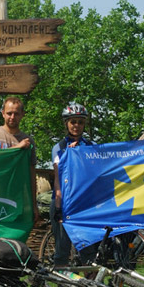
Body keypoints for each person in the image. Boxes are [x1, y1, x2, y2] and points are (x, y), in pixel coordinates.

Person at [50, 102, 96, 267]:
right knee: (62, 250)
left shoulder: (92, 147)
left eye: (80, 122)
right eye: (73, 122)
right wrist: (57, 204)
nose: (76, 125)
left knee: (88, 249)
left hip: (83, 203)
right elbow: (58, 177)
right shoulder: (59, 147)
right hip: (63, 201)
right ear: (66, 124)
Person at [0, 96, 38, 219]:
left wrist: (34, 205)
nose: (12, 117)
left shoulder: (29, 141)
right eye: (9, 113)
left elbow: (32, 174)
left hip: (17, 196)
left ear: (22, 114)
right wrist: (17, 147)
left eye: (16, 113)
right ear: (3, 114)